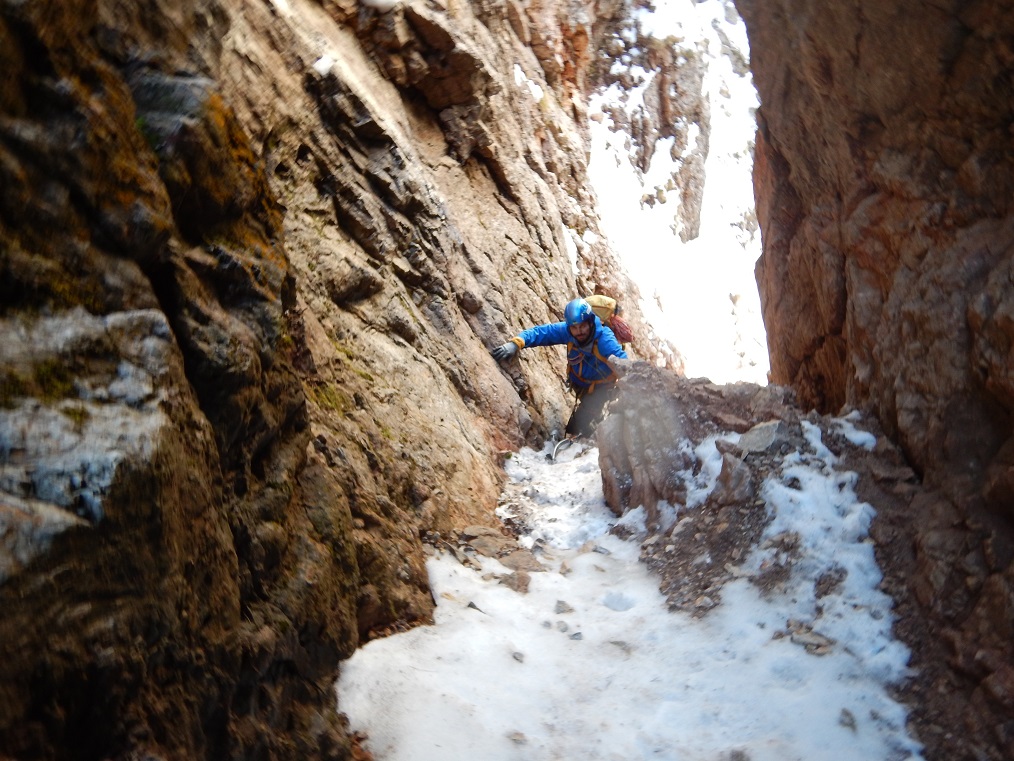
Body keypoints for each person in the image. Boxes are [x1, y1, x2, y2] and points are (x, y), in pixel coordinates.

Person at [491, 297, 629, 438]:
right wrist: (516, 343)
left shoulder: (605, 340)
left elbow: (623, 363)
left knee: (578, 423)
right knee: (585, 415)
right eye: (574, 327)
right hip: (580, 382)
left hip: (601, 387)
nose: (579, 331)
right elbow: (541, 333)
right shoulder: (568, 332)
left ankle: (580, 438)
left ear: (590, 322)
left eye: (582, 326)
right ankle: (590, 427)